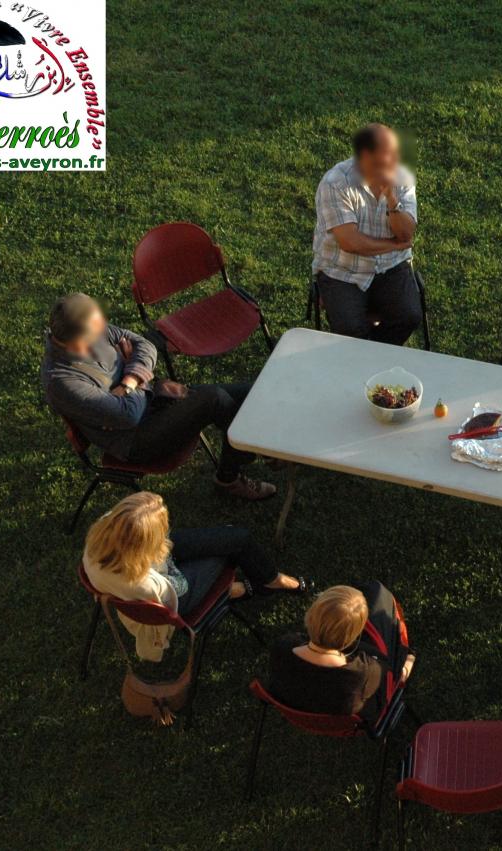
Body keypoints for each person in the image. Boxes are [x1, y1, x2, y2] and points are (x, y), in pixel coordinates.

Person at [41, 293, 276, 500]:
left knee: (247, 393)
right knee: (215, 399)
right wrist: (142, 378)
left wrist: (130, 381)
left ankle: (255, 450)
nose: (105, 328)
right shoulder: (63, 382)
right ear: (80, 342)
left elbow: (144, 344)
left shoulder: (88, 325)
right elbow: (129, 416)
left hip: (154, 402)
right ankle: (232, 475)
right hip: (137, 440)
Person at [83, 492, 309, 662]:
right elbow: (177, 588)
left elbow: (161, 548)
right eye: (159, 532)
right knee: (231, 548)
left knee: (235, 537)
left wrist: (160, 552)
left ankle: (254, 583)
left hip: (151, 564)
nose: (166, 531)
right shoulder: (144, 584)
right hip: (178, 596)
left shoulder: (99, 540)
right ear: (144, 543)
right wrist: (165, 556)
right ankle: (269, 582)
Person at [312, 123, 421, 346]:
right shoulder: (335, 184)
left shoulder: (402, 177)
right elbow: (350, 242)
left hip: (390, 266)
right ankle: (364, 356)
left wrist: (392, 200)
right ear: (365, 157)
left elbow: (406, 233)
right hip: (343, 271)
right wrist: (394, 245)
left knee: (409, 316)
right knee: (351, 329)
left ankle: (371, 356)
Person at [268, 583, 415, 722]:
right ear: (354, 637)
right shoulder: (364, 673)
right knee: (377, 592)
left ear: (311, 615)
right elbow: (390, 676)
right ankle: (410, 659)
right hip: (355, 719)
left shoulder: (282, 648)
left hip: (300, 709)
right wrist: (407, 664)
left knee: (374, 591)